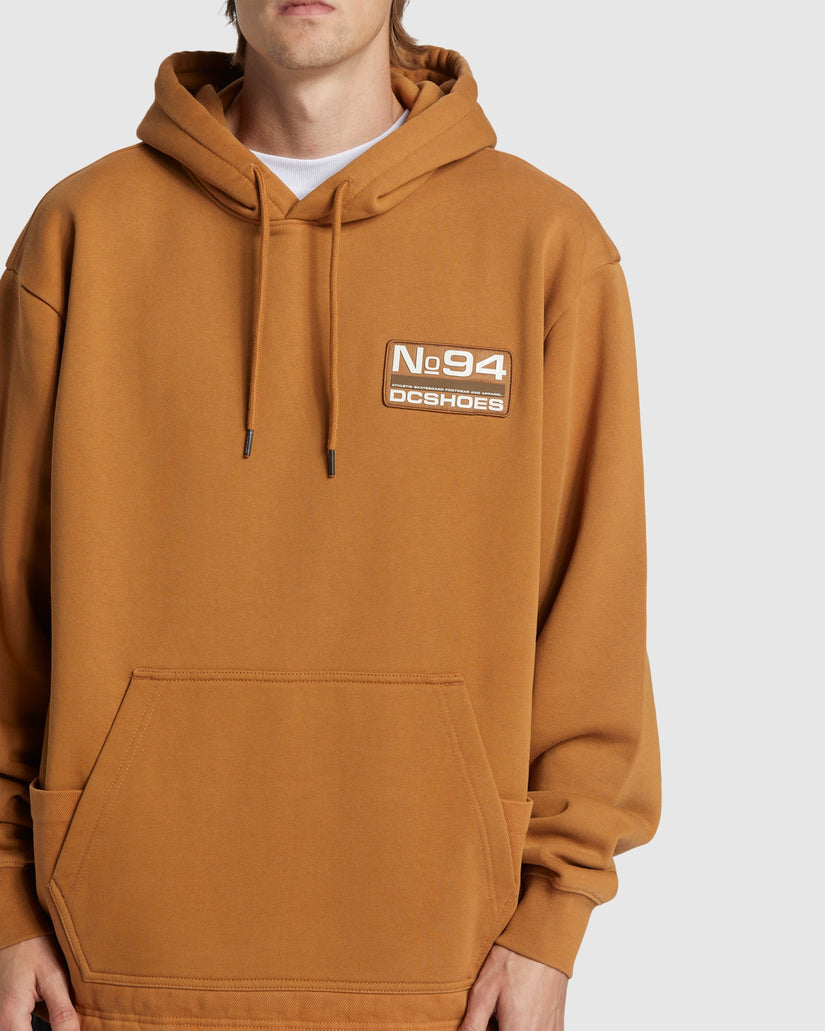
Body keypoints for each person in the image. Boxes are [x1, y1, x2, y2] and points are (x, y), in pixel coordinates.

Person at [0, 2, 662, 1029]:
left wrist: (552, 919)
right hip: (113, 974)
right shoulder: (81, 233)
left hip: (445, 978)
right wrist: (7, 905)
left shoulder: (545, 245)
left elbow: (594, 608)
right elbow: (7, 598)